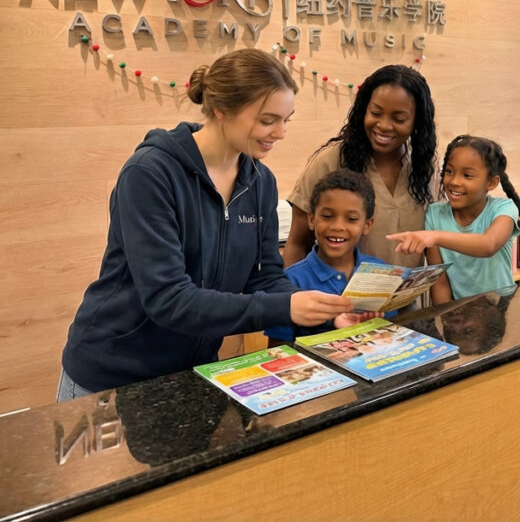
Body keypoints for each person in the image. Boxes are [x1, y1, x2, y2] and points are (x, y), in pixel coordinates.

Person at [58, 49, 353, 400]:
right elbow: (169, 300)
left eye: (287, 119)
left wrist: (321, 312)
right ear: (222, 109)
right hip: (114, 375)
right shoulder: (150, 174)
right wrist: (284, 308)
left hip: (194, 372)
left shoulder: (260, 182)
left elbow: (265, 277)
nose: (281, 133)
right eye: (268, 120)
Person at [283, 64, 437, 268]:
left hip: (407, 297)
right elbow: (297, 245)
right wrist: (292, 295)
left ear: (417, 122)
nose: (383, 125)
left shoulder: (425, 167)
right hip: (337, 295)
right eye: (375, 113)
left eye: (398, 119)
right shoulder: (332, 160)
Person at [387, 135, 520, 303]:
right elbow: (440, 281)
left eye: (467, 175)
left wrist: (435, 236)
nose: (454, 182)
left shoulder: (504, 208)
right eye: (449, 171)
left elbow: (489, 245)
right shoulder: (435, 214)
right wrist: (443, 320)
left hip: (501, 305)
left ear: (491, 183)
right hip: (461, 312)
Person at [265, 169, 387, 345]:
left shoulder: (379, 273)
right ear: (311, 220)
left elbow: (390, 335)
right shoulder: (291, 280)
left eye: (351, 219)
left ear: (367, 225)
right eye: (327, 216)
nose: (337, 226)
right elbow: (277, 349)